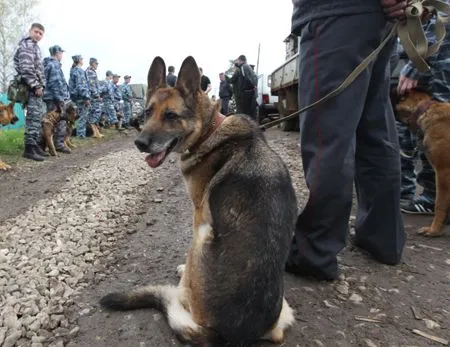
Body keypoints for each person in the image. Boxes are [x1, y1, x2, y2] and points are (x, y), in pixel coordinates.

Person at [285, 0, 407, 280]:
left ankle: (314, 252)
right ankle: (382, 239)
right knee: (375, 132)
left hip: (335, 15)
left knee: (328, 137)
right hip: (376, 20)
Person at [396, 16, 450, 215]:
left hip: (438, 66)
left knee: (434, 137)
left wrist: (415, 64)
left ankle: (431, 198)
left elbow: (440, 23)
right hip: (434, 64)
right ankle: (427, 197)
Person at [13, 23, 46, 161]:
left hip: (37, 87)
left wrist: (42, 85)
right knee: (32, 118)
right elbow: (26, 69)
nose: (38, 35)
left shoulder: (35, 47)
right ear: (30, 31)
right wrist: (36, 86)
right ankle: (29, 149)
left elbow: (38, 69)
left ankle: (35, 145)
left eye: (40, 33)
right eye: (36, 32)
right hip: (31, 88)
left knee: (37, 117)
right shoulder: (27, 45)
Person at [42, 45, 71, 153]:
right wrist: (60, 100)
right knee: (61, 120)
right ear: (57, 53)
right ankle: (58, 144)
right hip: (55, 98)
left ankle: (50, 145)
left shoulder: (48, 64)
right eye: (61, 53)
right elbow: (56, 84)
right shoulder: (54, 65)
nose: (62, 55)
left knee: (50, 123)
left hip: (50, 97)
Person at [68, 55, 91, 138]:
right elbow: (81, 86)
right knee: (82, 116)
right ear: (78, 60)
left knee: (81, 116)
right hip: (81, 97)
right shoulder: (79, 70)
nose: (82, 60)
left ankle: (80, 133)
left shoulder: (74, 70)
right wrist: (86, 97)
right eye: (81, 59)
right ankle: (81, 135)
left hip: (78, 97)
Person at [230, 54, 258, 120]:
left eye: (238, 61)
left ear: (241, 60)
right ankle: (253, 126)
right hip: (251, 92)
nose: (238, 62)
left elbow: (247, 78)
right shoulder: (248, 67)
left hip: (246, 93)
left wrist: (253, 86)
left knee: (245, 112)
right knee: (251, 111)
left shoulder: (243, 67)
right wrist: (254, 86)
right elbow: (255, 77)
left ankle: (248, 127)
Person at [86, 57, 104, 138]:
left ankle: (96, 132)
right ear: (93, 63)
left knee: (93, 113)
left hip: (93, 96)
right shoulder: (90, 72)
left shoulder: (92, 71)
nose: (97, 65)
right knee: (97, 112)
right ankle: (95, 132)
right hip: (94, 97)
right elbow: (92, 86)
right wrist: (97, 95)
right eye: (96, 63)